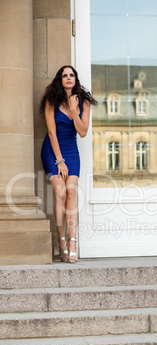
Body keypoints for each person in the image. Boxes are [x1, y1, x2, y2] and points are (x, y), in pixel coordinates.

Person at [40, 65, 97, 263]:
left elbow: (82, 132)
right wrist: (59, 161)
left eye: (71, 75)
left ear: (76, 78)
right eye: (64, 75)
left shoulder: (84, 103)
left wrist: (74, 110)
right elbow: (52, 133)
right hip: (52, 151)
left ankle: (73, 242)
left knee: (71, 192)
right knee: (61, 192)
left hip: (72, 151)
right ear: (60, 79)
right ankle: (61, 242)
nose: (68, 78)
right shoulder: (51, 100)